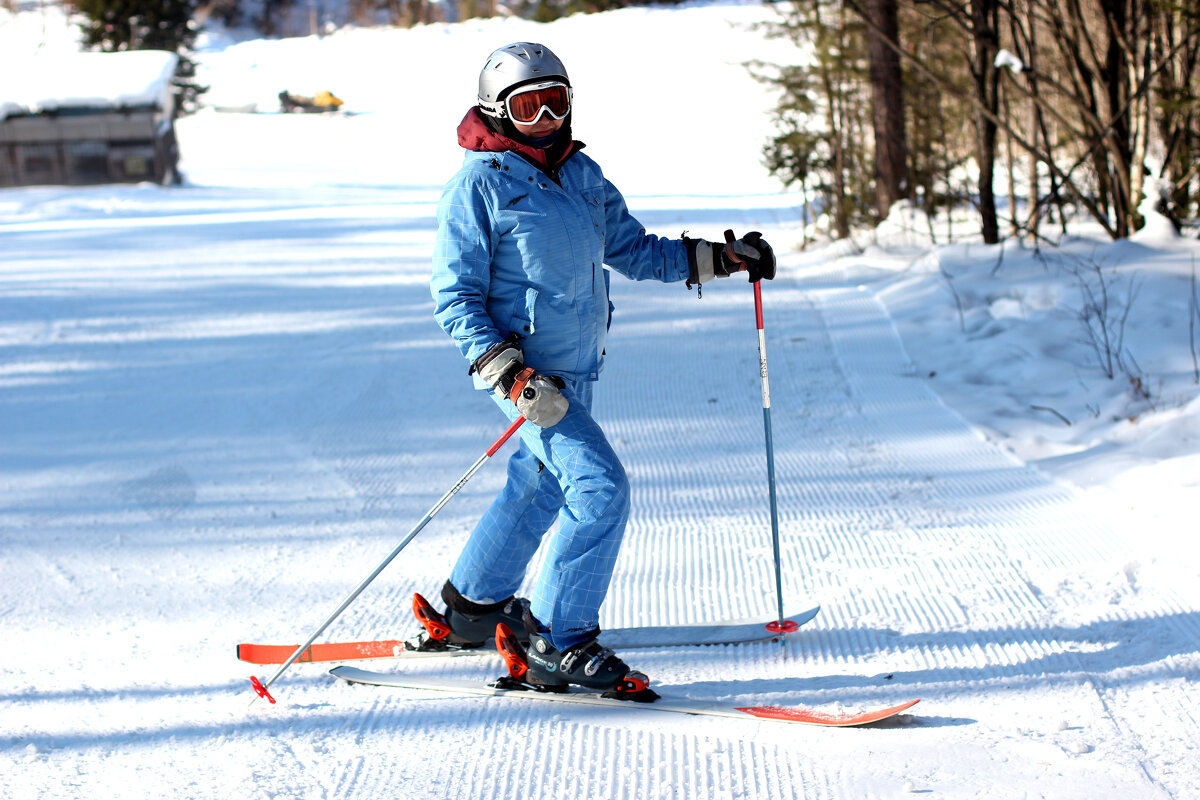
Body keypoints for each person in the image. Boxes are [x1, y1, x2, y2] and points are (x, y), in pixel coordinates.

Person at [421, 42, 776, 699]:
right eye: (529, 107)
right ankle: (559, 641)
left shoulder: (581, 176)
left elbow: (635, 250)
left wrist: (722, 260)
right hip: (528, 377)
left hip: (580, 369)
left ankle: (472, 608)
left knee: (540, 488)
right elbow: (455, 297)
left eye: (558, 101)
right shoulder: (478, 186)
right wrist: (509, 373)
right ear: (497, 113)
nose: (548, 117)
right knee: (599, 488)